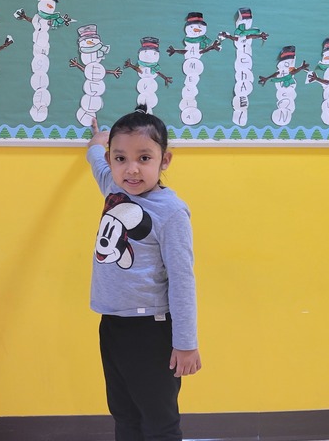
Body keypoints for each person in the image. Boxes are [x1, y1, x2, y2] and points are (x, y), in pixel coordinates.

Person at [86, 106, 201, 441]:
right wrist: (97, 142)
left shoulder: (171, 212)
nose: (131, 169)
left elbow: (182, 280)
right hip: (112, 324)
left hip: (151, 329)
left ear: (165, 160)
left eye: (144, 158)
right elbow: (96, 162)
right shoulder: (115, 189)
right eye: (120, 158)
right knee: (124, 414)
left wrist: (186, 344)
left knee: (158, 421)